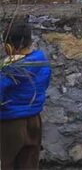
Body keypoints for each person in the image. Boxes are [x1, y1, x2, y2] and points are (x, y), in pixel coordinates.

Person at [0, 19, 51, 169]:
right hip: (34, 120)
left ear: (9, 46)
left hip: (11, 123)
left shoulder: (11, 70)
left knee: (6, 163)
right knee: (29, 163)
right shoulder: (42, 61)